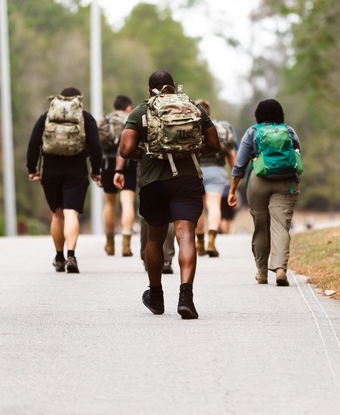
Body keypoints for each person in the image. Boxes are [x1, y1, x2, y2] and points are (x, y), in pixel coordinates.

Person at [115, 70, 220, 319]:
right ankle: (186, 297)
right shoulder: (192, 107)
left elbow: (125, 149)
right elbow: (214, 144)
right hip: (187, 180)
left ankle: (156, 295)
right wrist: (189, 151)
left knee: (155, 239)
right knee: (185, 237)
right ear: (174, 87)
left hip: (154, 182)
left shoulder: (141, 111)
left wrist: (149, 152)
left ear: (148, 89)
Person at [26, 87, 102, 273]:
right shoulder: (85, 118)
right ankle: (71, 255)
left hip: (51, 171)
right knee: (71, 213)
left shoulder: (47, 117)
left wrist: (32, 168)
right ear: (78, 100)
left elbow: (34, 142)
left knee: (57, 214)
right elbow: (95, 145)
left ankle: (59, 257)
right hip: (76, 171)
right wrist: (96, 170)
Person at [228, 99, 302, 287]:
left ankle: (261, 272)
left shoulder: (253, 132)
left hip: (259, 181)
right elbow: (297, 156)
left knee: (261, 226)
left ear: (258, 116)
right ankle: (280, 269)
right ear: (281, 114)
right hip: (286, 182)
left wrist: (232, 190)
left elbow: (240, 165)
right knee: (280, 225)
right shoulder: (289, 131)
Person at [193, 99, 237, 257]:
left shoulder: (190, 127)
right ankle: (211, 240)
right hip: (216, 170)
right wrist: (235, 176)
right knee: (214, 206)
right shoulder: (219, 128)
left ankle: (199, 243)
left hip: (195, 170)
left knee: (198, 208)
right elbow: (231, 154)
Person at [99, 95, 137, 257]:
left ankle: (109, 244)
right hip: (128, 163)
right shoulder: (130, 119)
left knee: (109, 203)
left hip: (107, 163)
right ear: (128, 107)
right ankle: (126, 244)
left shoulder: (106, 120)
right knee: (127, 202)